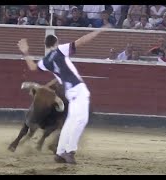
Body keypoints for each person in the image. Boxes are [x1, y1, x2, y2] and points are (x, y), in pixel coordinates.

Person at [17, 25, 109, 164]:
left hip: (70, 92)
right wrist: (98, 31)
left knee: (71, 121)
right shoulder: (60, 50)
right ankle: (69, 151)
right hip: (78, 88)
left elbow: (33, 67)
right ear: (56, 43)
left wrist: (25, 52)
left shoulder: (46, 61)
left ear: (46, 45)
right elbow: (82, 41)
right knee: (81, 120)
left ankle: (60, 153)